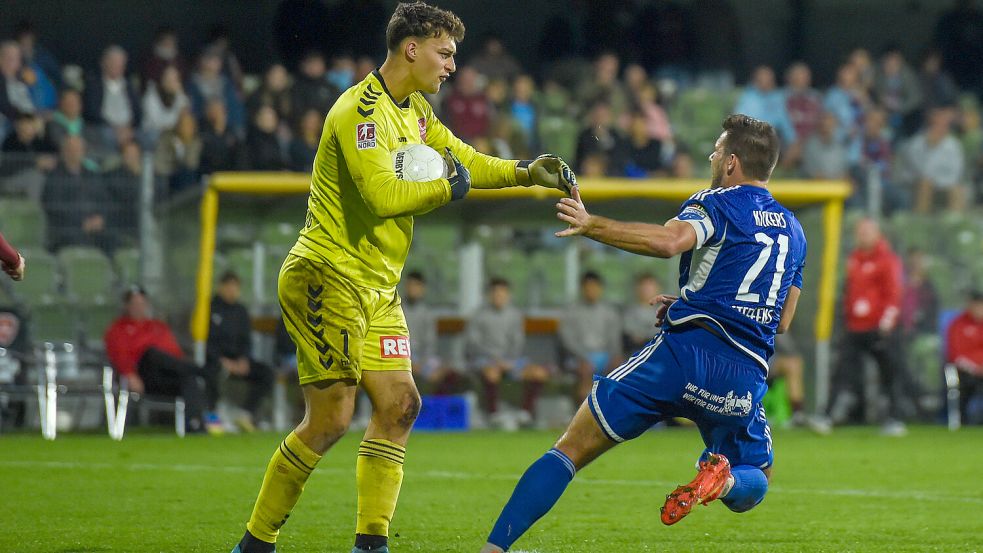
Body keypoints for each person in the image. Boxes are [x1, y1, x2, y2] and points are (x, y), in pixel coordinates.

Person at [230, 3, 576, 553]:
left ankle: (371, 545)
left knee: (401, 406)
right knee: (330, 420)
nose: (450, 67)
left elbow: (461, 157)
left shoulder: (415, 111)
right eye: (445, 54)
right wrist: (447, 188)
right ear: (411, 48)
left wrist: (523, 172)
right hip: (326, 275)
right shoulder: (358, 113)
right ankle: (256, 542)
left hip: (376, 288)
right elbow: (383, 196)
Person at [480, 115, 807, 552]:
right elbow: (780, 320)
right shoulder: (795, 232)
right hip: (742, 376)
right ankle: (725, 481)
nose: (710, 156)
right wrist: (696, 301)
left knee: (569, 450)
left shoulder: (718, 202)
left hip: (682, 357)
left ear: (731, 163)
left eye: (715, 149)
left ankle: (492, 549)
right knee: (758, 478)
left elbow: (669, 242)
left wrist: (591, 224)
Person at [823, 218, 907, 436]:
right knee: (843, 371)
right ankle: (828, 416)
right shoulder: (854, 259)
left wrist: (886, 323)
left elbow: (893, 293)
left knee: (889, 372)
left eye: (867, 232)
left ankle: (894, 418)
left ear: (877, 234)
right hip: (855, 327)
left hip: (879, 327)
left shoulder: (888, 260)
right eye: (860, 232)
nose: (863, 236)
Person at [104, 286, 219, 434]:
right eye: (135, 304)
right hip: (142, 374)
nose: (139, 308)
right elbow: (119, 355)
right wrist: (129, 374)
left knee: (188, 379)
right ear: (127, 306)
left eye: (142, 303)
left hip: (164, 375)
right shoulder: (118, 329)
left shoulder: (157, 327)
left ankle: (195, 425)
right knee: (152, 354)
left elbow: (174, 354)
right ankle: (204, 372)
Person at [465, 277, 547, 427]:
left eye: (503, 294)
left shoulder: (515, 315)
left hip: (510, 360)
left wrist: (508, 361)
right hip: (484, 360)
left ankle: (525, 414)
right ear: (489, 295)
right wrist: (495, 359)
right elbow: (473, 344)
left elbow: (518, 342)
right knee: (491, 373)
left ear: (508, 295)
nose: (499, 297)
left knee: (538, 373)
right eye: (496, 293)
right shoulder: (478, 316)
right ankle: (494, 415)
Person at [207, 271, 275, 431]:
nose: (232, 291)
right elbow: (207, 341)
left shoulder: (241, 311)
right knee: (211, 371)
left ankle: (245, 414)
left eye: (235, 287)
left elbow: (246, 340)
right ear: (220, 287)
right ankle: (212, 415)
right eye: (229, 286)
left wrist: (244, 359)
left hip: (238, 360)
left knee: (266, 373)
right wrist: (222, 360)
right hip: (216, 359)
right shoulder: (210, 309)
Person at [559, 271, 623, 401]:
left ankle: (612, 411)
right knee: (585, 368)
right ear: (582, 289)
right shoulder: (571, 311)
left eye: (595, 287)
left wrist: (612, 357)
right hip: (577, 357)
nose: (591, 290)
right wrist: (583, 357)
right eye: (588, 287)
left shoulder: (610, 312)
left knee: (619, 366)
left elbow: (614, 341)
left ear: (600, 288)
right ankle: (584, 413)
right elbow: (567, 341)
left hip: (605, 356)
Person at [946, 291, 983, 424]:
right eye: (977, 305)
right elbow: (955, 355)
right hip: (966, 372)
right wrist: (975, 369)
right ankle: (961, 422)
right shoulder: (958, 324)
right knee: (964, 387)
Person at [621, 272, 662, 353]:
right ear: (637, 288)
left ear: (658, 288)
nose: (646, 289)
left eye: (650, 285)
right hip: (633, 352)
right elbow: (629, 333)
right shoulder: (629, 311)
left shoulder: (663, 311)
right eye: (644, 285)